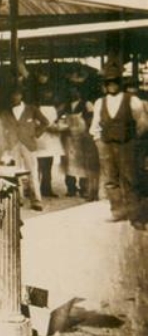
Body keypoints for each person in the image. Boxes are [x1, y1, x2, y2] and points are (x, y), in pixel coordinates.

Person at [89, 64, 147, 230]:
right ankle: (118, 211)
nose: (111, 85)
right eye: (108, 83)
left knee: (130, 179)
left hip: (127, 145)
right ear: (105, 85)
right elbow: (95, 125)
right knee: (110, 180)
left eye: (114, 82)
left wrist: (133, 141)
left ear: (120, 83)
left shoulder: (132, 100)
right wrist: (98, 141)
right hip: (106, 145)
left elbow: (142, 123)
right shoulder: (100, 102)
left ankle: (135, 216)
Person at [2, 86, 48, 211]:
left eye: (17, 94)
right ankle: (18, 199)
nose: (14, 97)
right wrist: (7, 142)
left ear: (21, 95)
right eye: (12, 95)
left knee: (33, 171)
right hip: (13, 145)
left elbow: (45, 122)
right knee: (15, 172)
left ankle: (36, 200)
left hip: (28, 144)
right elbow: (3, 128)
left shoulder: (31, 109)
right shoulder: (7, 112)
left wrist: (35, 134)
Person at [62, 87, 99, 200]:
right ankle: (71, 188)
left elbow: (92, 119)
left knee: (83, 162)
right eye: (71, 90)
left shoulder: (87, 104)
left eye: (76, 90)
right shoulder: (66, 105)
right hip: (69, 136)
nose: (73, 92)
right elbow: (62, 118)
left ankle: (84, 188)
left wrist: (88, 132)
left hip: (83, 136)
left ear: (80, 92)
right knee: (68, 162)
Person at [35, 89, 66, 198]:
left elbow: (55, 121)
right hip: (41, 138)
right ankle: (35, 189)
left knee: (48, 164)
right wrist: (49, 127)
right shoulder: (37, 108)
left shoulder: (53, 108)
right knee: (39, 165)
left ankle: (46, 188)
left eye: (49, 93)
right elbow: (37, 122)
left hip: (52, 140)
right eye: (45, 93)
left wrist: (57, 126)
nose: (48, 95)